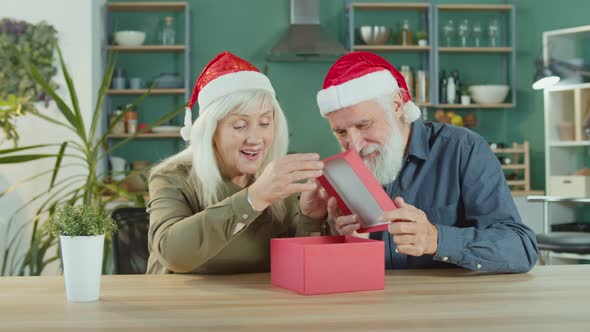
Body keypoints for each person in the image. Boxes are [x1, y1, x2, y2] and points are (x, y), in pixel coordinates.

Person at [309, 52, 538, 273]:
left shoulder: (463, 149)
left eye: (364, 125)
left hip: (452, 305)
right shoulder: (343, 172)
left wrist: (436, 239)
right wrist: (341, 235)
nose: (354, 144)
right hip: (374, 305)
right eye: (340, 132)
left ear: (397, 104)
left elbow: (520, 248)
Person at [146, 51, 327, 274]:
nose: (255, 139)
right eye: (240, 125)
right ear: (211, 131)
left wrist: (310, 217)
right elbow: (173, 254)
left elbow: (294, 267)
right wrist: (253, 199)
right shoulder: (172, 177)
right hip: (181, 306)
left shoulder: (275, 179)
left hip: (256, 305)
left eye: (264, 122)